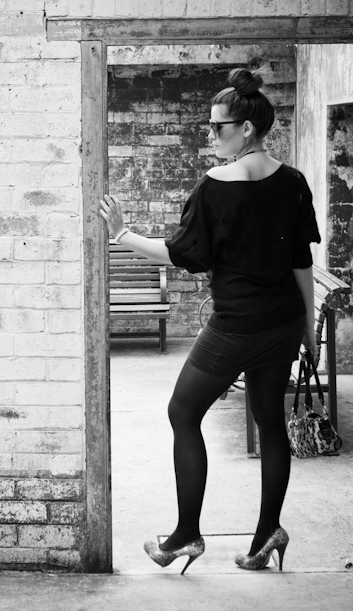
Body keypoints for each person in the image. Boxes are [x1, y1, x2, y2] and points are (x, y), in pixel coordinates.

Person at [100, 68, 321, 575]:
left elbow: (180, 254)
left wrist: (122, 234)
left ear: (246, 129)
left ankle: (186, 535)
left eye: (218, 127)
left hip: (235, 326)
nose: (211, 135)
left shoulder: (214, 187)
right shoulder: (293, 183)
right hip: (282, 323)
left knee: (182, 412)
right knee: (270, 421)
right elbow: (301, 264)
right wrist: (308, 329)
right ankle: (267, 534)